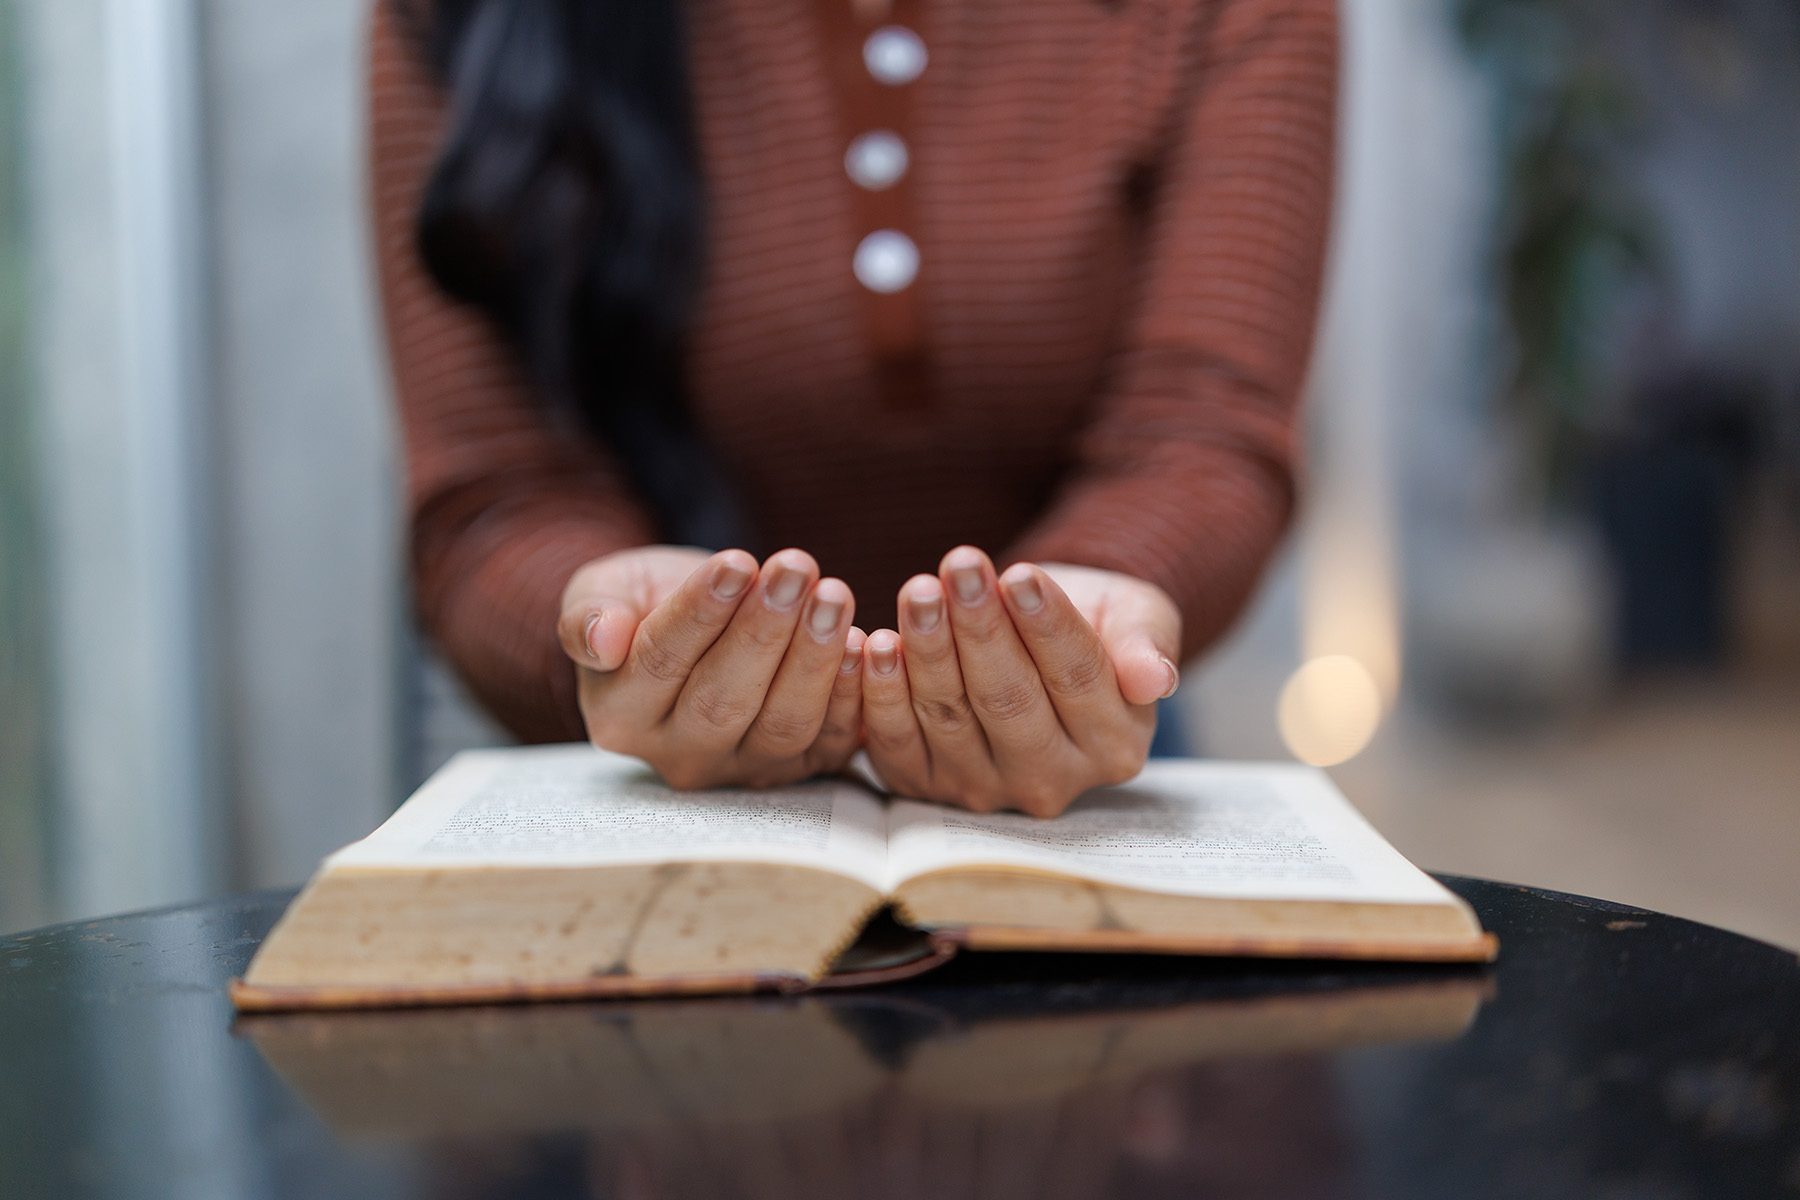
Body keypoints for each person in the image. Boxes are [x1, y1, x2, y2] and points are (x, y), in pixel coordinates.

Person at [369, 0, 1337, 815]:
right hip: (641, 773)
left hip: (1069, 746)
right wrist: (617, 629)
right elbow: (492, 491)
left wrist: (1069, 636)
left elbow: (1204, 431)